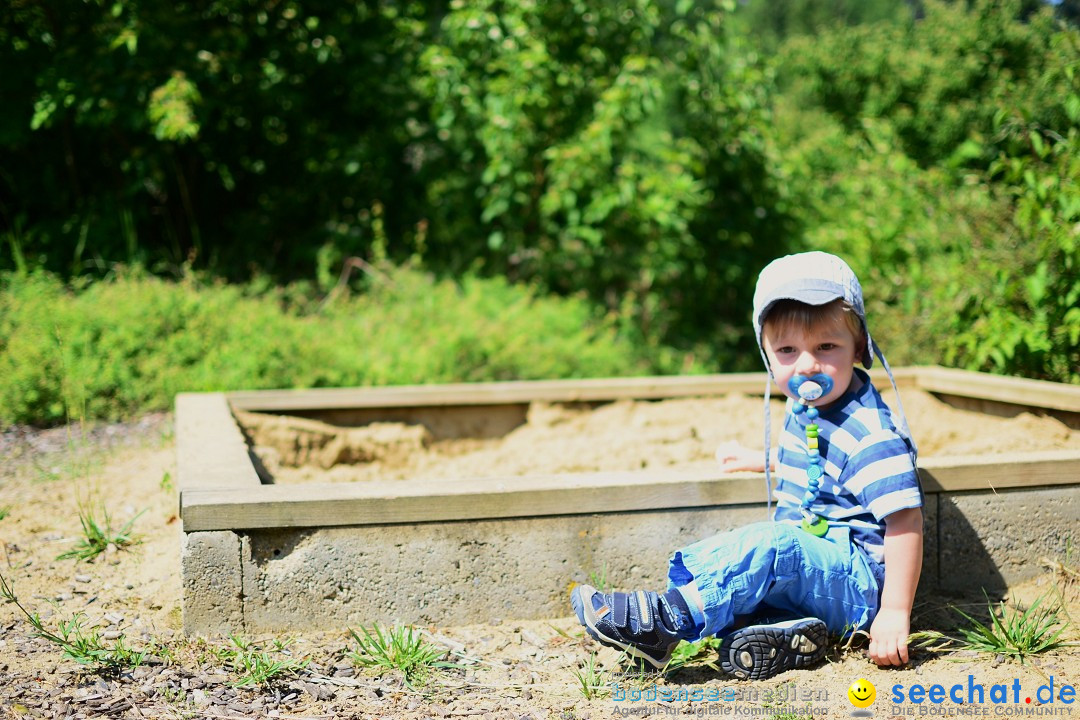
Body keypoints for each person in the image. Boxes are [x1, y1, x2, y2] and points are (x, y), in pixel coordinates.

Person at [570, 251, 924, 680]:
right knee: (754, 574)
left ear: (859, 347)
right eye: (787, 350)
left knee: (772, 547)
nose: (807, 364)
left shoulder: (870, 434)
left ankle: (665, 622)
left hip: (858, 585)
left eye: (826, 347)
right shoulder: (810, 403)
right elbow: (824, 464)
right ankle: (789, 634)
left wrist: (894, 611)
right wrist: (769, 461)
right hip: (820, 570)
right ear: (767, 355)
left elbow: (906, 521)